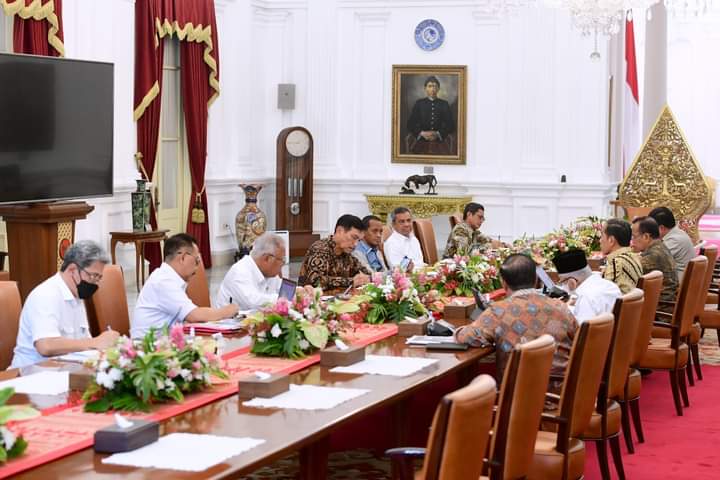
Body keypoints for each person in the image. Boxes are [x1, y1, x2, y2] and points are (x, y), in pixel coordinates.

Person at [455, 254, 577, 387]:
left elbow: (464, 338)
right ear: (536, 279)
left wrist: (459, 330)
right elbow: (578, 337)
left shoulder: (499, 311)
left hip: (518, 396)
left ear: (504, 283)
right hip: (564, 393)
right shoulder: (560, 306)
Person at [10, 240, 120, 368]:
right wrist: (95, 342)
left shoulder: (76, 295)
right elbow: (46, 346)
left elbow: (82, 343)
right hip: (30, 372)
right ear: (72, 270)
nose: (95, 283)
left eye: (98, 278)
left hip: (63, 369)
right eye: (93, 276)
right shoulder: (46, 294)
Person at [131, 233, 239, 338]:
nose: (197, 268)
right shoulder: (163, 281)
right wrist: (227, 311)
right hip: (147, 346)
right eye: (196, 261)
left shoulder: (169, 277)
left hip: (164, 342)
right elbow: (194, 315)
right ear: (183, 258)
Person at [298, 214, 371, 294]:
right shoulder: (320, 248)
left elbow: (365, 272)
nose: (356, 244)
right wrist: (350, 281)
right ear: (339, 231)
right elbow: (316, 281)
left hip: (340, 299)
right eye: (354, 237)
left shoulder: (347, 254)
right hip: (314, 299)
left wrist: (365, 278)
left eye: (359, 240)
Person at [214, 232, 286, 310]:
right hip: (233, 317)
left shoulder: (268, 272)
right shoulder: (240, 271)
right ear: (267, 258)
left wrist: (294, 295)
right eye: (281, 260)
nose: (283, 264)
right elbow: (253, 302)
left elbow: (282, 289)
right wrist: (284, 300)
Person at [553, 249, 621, 324]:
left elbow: (582, 329)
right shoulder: (611, 285)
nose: (563, 286)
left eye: (562, 281)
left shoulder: (586, 298)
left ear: (572, 282)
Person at [631, 216, 678, 313]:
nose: (632, 241)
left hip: (659, 312)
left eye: (634, 237)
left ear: (646, 237)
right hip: (664, 306)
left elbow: (628, 270)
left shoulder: (654, 255)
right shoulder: (659, 247)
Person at [406, 76, 455, 155]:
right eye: (430, 86)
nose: (432, 89)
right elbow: (410, 124)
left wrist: (438, 134)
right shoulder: (419, 103)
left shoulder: (444, 104)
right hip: (421, 140)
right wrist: (422, 133)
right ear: (425, 88)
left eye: (435, 86)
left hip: (440, 141)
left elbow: (451, 125)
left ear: (438, 89)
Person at [648, 207, 695, 280]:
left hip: (677, 284)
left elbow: (652, 259)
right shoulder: (678, 233)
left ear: (661, 228)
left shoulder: (674, 240)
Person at [600, 219, 644, 294]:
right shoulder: (634, 256)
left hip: (620, 301)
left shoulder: (617, 263)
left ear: (611, 240)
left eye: (602, 236)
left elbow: (601, 295)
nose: (600, 240)